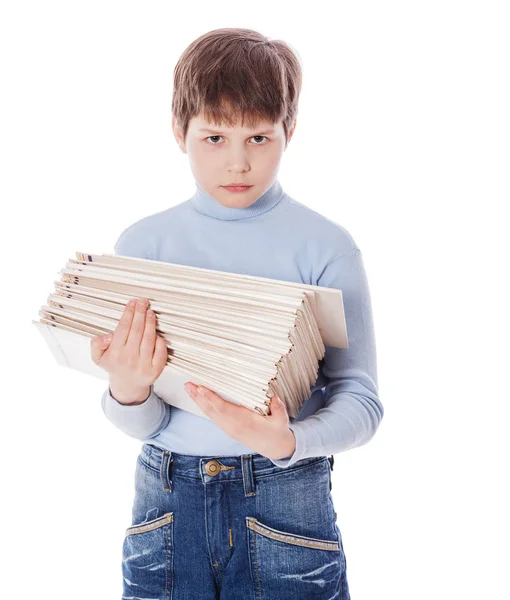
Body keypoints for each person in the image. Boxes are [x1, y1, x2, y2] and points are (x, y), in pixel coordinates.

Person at [90, 26, 383, 599]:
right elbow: (143, 423)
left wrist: (286, 442)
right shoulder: (144, 245)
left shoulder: (325, 247)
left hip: (286, 493)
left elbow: (362, 398)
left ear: (289, 131)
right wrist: (126, 389)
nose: (238, 163)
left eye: (259, 138)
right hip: (168, 499)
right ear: (180, 132)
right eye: (215, 138)